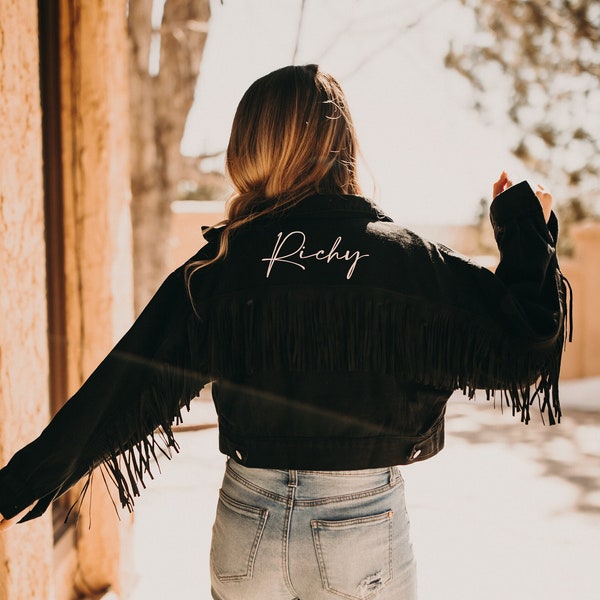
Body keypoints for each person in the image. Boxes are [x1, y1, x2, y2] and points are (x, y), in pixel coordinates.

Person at [0, 65, 568, 599]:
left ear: (251, 146)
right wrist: (524, 230)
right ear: (341, 148)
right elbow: (524, 345)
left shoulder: (222, 264)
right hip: (360, 525)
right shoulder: (408, 262)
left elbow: (125, 386)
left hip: (247, 522)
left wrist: (18, 484)